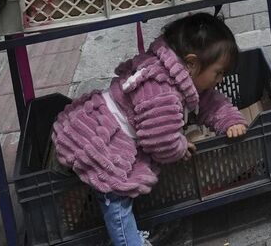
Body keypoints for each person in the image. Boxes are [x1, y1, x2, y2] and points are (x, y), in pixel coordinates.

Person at [51, 13, 248, 246]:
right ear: (192, 63)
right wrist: (180, 146)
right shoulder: (162, 91)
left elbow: (209, 102)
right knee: (114, 194)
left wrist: (230, 120)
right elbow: (161, 141)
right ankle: (128, 241)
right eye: (218, 73)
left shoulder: (177, 72)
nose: (221, 79)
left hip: (104, 123)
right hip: (102, 138)